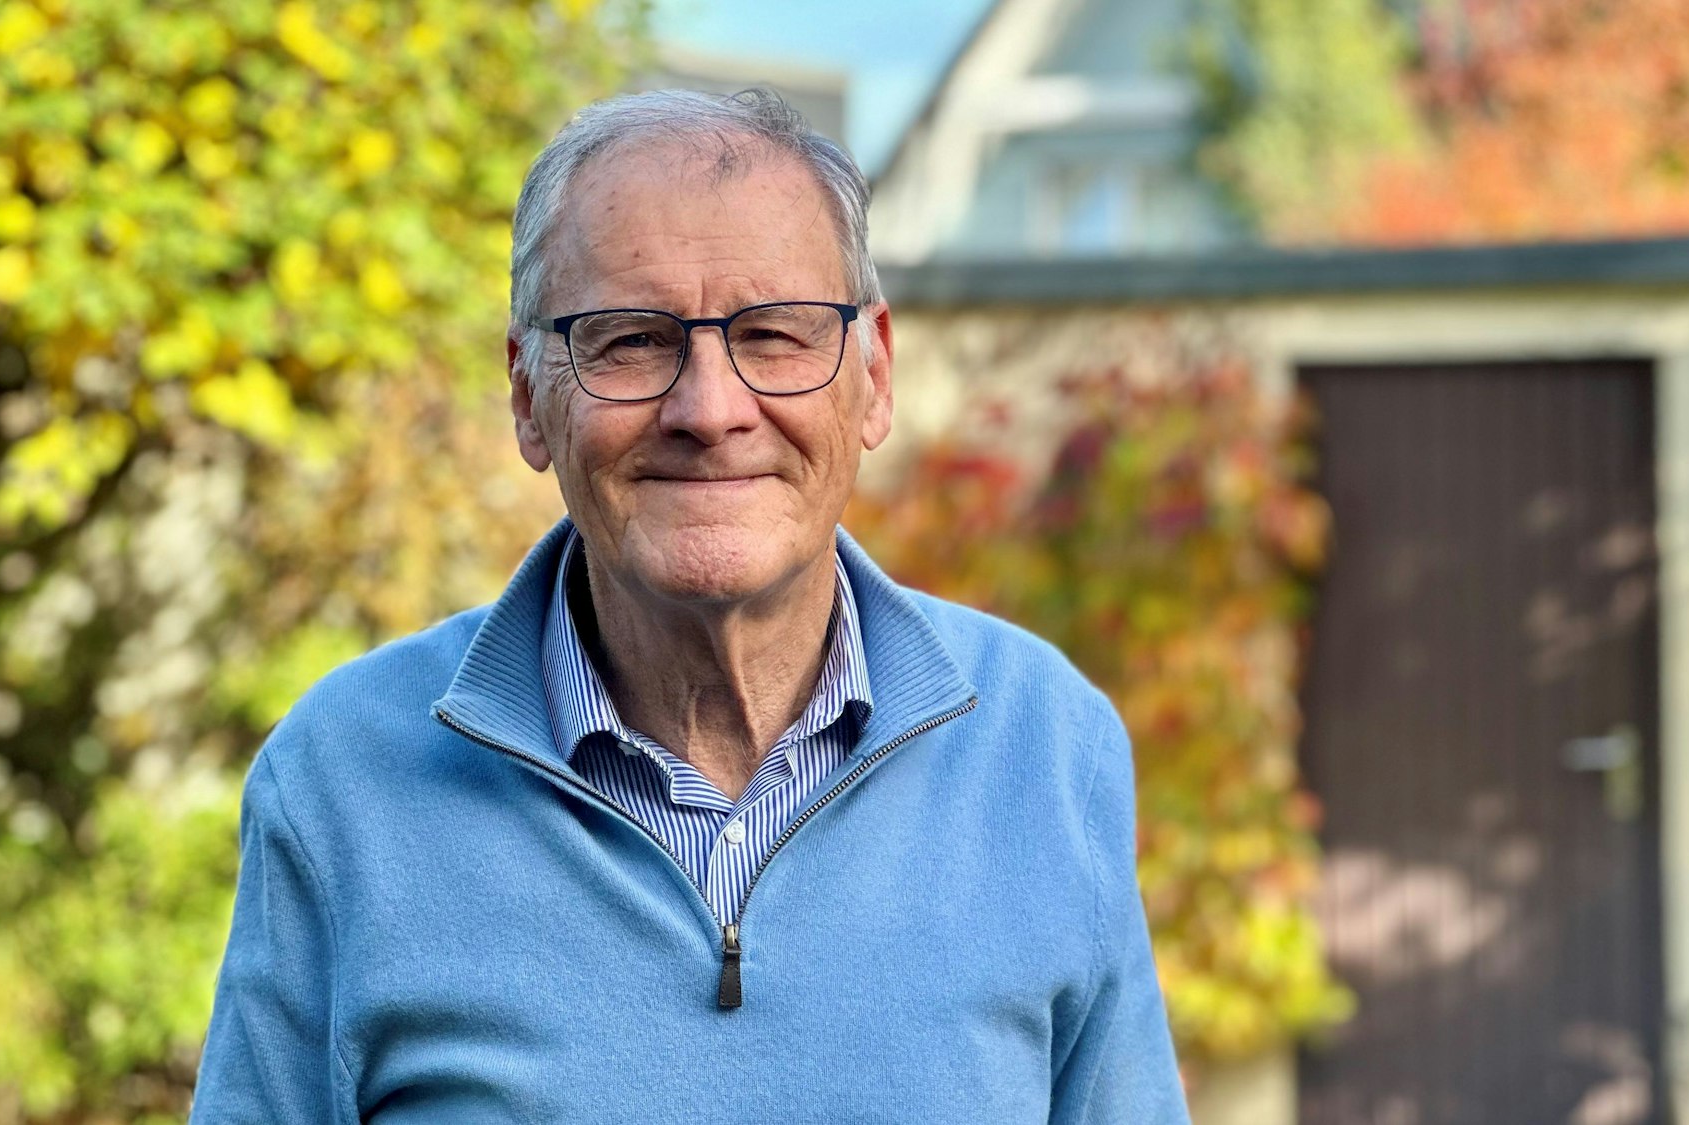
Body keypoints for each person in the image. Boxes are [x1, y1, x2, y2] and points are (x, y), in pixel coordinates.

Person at [190, 88, 1189, 1123]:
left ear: (873, 376)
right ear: (530, 396)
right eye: (628, 341)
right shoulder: (343, 777)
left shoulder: (1044, 746)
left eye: (774, 335)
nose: (708, 411)